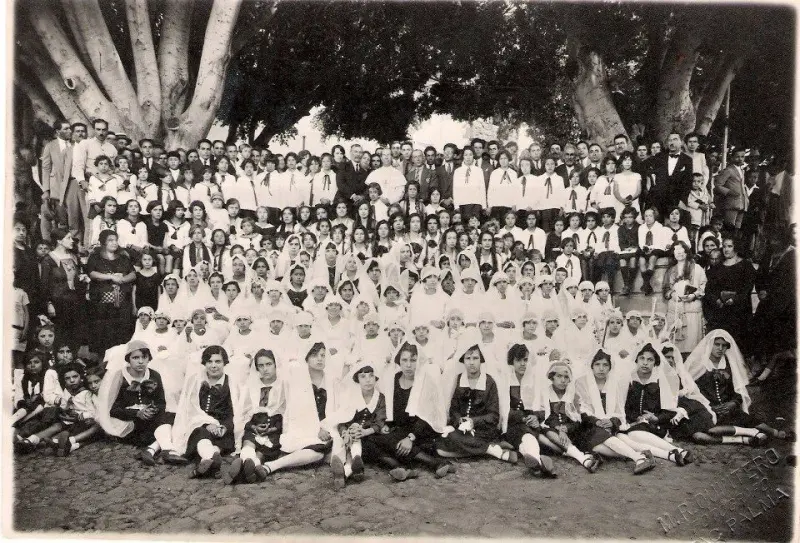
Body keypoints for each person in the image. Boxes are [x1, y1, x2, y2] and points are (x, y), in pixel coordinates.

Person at [684, 331, 794, 444]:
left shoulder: (729, 366)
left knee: (748, 420)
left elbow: (739, 390)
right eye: (717, 344)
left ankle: (776, 433)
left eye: (724, 345)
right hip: (706, 410)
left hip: (727, 410)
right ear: (709, 344)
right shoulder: (697, 365)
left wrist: (733, 403)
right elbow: (688, 391)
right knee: (701, 435)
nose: (720, 348)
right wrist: (706, 407)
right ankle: (748, 436)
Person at [574, 350, 657, 474]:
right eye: (597, 364)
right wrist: (596, 421)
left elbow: (619, 411)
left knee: (600, 441)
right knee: (596, 446)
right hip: (588, 425)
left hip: (609, 426)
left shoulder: (614, 383)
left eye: (605, 365)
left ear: (610, 367)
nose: (601, 369)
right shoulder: (581, 382)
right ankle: (639, 456)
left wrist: (612, 422)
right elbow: (580, 409)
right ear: (591, 366)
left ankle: (639, 458)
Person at [436, 344, 516, 464]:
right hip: (462, 430)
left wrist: (473, 421)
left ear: (481, 360)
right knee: (439, 446)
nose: (471, 362)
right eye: (468, 359)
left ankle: (495, 451)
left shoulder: (489, 382)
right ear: (463, 361)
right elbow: (454, 409)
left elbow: (493, 415)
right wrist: (460, 420)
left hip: (483, 430)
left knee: (448, 444)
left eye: (475, 358)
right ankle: (489, 449)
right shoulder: (459, 379)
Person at [85, 230, 136, 358]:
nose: (114, 243)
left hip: (122, 304)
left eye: (115, 240)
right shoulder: (95, 257)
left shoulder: (123, 257)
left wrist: (122, 279)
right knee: (104, 332)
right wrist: (111, 277)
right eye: (110, 240)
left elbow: (133, 273)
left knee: (121, 333)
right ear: (103, 242)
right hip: (102, 306)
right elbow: (92, 273)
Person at [703, 236, 756, 349]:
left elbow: (747, 288)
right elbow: (709, 288)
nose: (726, 249)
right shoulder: (718, 266)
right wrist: (716, 300)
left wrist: (735, 300)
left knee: (738, 343)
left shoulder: (746, 265)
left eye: (730, 246)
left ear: (735, 247)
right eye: (725, 246)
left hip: (739, 311)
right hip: (721, 310)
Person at [662, 241, 706, 354]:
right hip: (675, 309)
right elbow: (666, 289)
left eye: (682, 249)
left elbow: (704, 286)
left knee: (692, 344)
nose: (679, 252)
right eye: (676, 250)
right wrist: (672, 294)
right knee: (675, 347)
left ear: (686, 252)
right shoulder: (670, 271)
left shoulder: (697, 268)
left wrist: (694, 295)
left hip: (692, 310)